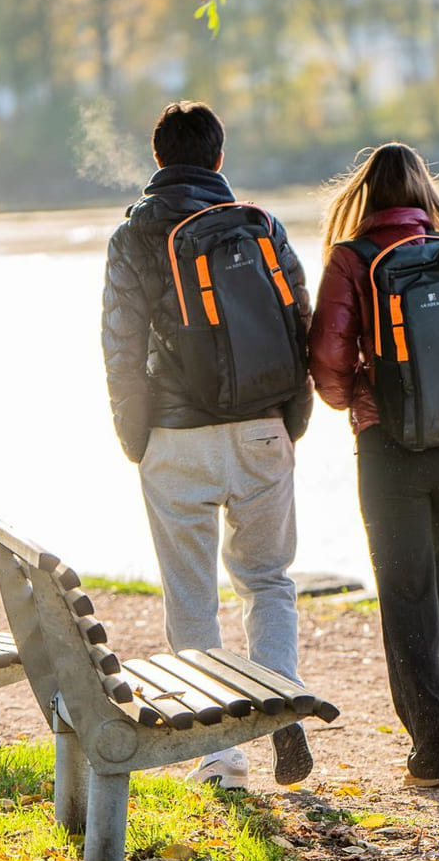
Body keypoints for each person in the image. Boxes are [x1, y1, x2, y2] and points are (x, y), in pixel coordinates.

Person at [101, 101, 316, 790]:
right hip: (262, 429)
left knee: (191, 597)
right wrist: (291, 419)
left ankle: (222, 755)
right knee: (267, 580)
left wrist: (136, 437)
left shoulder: (133, 237)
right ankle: (280, 699)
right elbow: (298, 322)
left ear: (158, 159)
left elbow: (120, 346)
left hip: (174, 437)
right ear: (219, 159)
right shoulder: (261, 225)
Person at [308, 142, 439, 788]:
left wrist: (360, 398)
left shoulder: (351, 257)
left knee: (408, 593)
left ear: (363, 195)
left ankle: (433, 748)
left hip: (390, 447)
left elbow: (330, 367)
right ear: (423, 192)